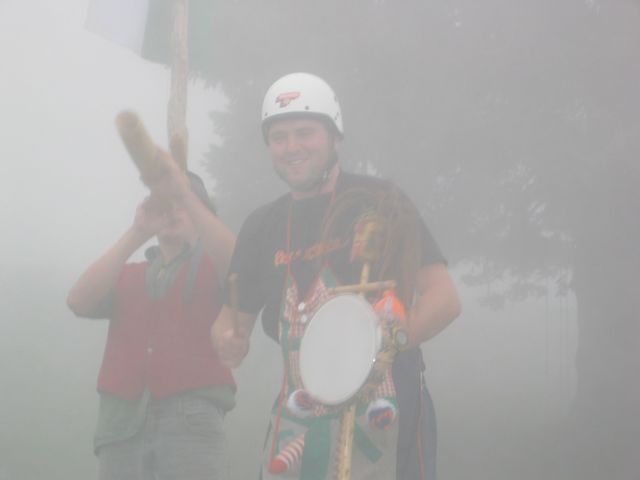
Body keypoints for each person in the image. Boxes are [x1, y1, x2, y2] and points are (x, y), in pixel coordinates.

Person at [212, 72, 461, 480]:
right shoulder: (261, 226)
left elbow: (443, 298)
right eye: (279, 137)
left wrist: (383, 347)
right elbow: (228, 324)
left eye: (305, 133)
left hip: (386, 406)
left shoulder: (382, 202)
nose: (292, 147)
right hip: (299, 412)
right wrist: (227, 341)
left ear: (335, 137)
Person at [67, 151, 236, 480]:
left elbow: (240, 268)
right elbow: (79, 301)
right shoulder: (127, 274)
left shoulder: (215, 264)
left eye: (182, 204)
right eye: (164, 203)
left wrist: (189, 200)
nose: (172, 211)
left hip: (192, 418)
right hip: (121, 421)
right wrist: (137, 231)